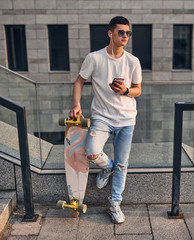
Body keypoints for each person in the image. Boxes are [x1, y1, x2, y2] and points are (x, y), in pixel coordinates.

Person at [69, 16, 142, 224]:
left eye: (128, 33)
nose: (125, 36)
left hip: (127, 119)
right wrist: (76, 105)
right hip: (102, 117)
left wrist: (126, 90)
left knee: (122, 164)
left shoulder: (133, 61)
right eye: (121, 32)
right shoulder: (94, 58)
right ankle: (106, 166)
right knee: (91, 152)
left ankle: (115, 203)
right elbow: (79, 82)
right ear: (110, 33)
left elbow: (138, 90)